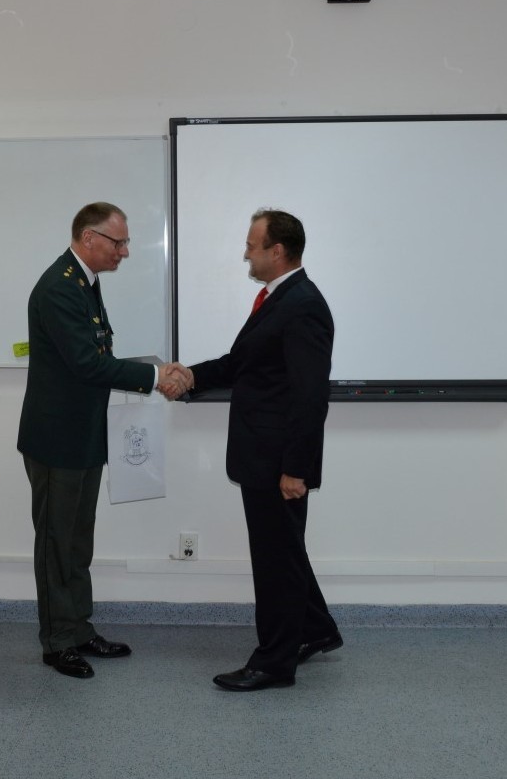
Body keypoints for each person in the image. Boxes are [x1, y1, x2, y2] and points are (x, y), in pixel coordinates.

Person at [175, 208, 341, 691]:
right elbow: (240, 364)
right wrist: (189, 375)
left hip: (278, 462)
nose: (245, 254)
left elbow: (311, 397)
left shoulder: (303, 305)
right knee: (284, 552)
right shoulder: (277, 299)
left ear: (278, 250)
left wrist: (296, 469)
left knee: (275, 563)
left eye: (252, 246)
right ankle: (315, 630)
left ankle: (273, 663)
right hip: (262, 455)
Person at [18, 202, 185, 679]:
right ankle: (57, 643)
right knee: (57, 542)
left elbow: (96, 356)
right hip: (56, 440)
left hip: (83, 434)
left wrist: (154, 370)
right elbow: (86, 364)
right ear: (89, 238)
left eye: (125, 242)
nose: (124, 251)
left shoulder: (84, 282)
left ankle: (78, 629)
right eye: (118, 242)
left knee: (77, 542)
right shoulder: (59, 287)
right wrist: (155, 377)